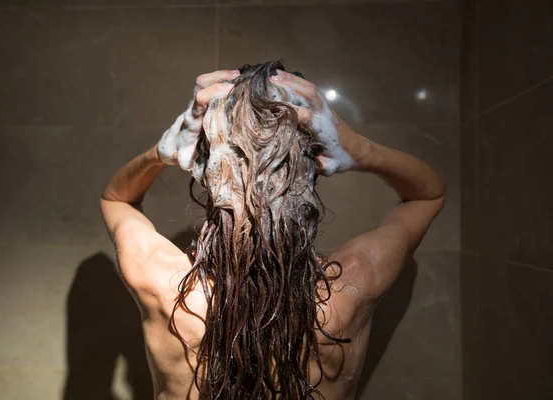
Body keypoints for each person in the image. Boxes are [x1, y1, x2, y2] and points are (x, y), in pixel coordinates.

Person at [100, 61, 446, 399]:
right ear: (311, 167)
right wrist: (359, 150)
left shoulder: (166, 289)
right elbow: (428, 194)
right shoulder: (348, 291)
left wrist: (162, 152)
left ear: (208, 167)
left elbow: (116, 200)